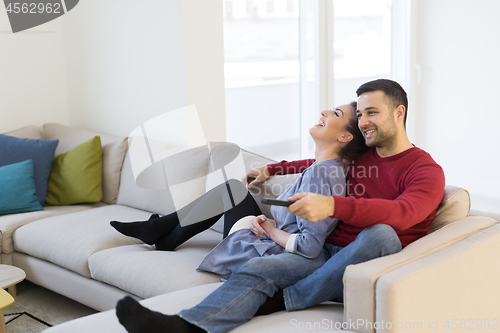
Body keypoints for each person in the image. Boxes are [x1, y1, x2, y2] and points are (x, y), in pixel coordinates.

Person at [114, 79, 445, 333]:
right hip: (324, 253)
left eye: (372, 112)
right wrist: (273, 168)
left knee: (382, 235)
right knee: (258, 269)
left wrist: (332, 205)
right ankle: (187, 327)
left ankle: (292, 298)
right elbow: (319, 162)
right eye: (359, 114)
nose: (363, 122)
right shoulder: (364, 155)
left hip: (362, 262)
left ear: (399, 112)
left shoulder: (425, 170)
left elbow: (405, 214)